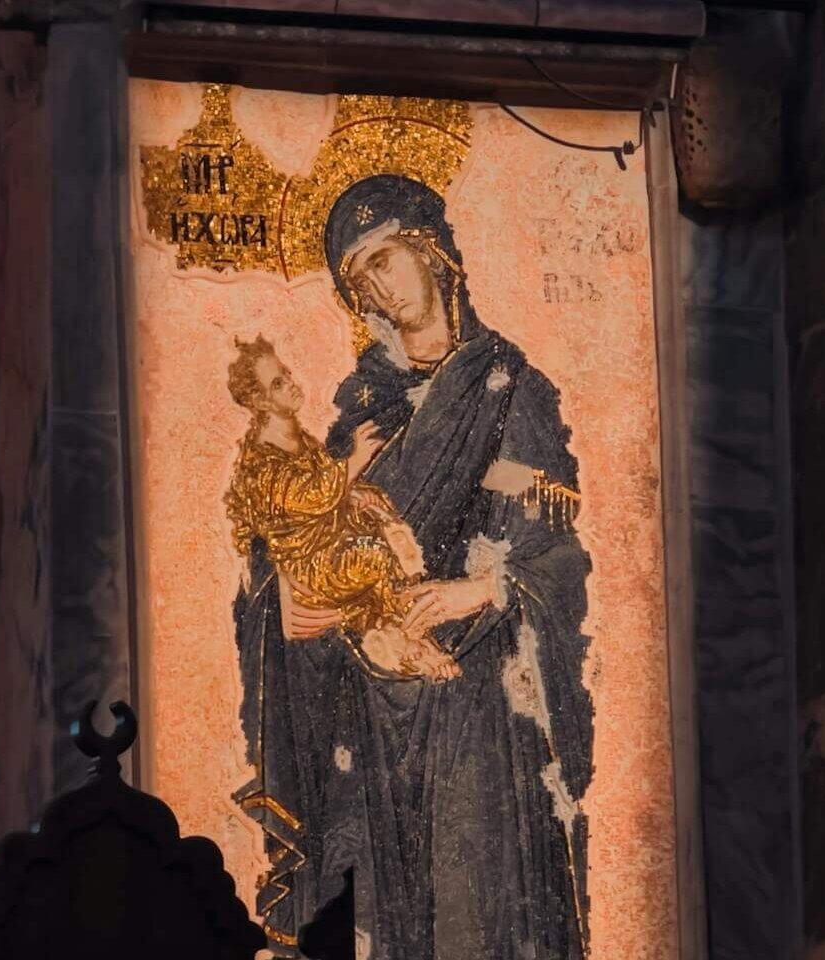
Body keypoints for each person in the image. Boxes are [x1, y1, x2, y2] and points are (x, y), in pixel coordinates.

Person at [232, 174, 595, 959]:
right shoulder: (364, 411)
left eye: (385, 259)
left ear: (431, 251)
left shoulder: (507, 390)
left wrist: (476, 589)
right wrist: (293, 604)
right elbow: (292, 555)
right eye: (359, 280)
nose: (380, 288)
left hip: (475, 708)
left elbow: (557, 550)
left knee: (477, 914)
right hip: (372, 713)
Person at [221, 335, 458, 682]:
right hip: (310, 562)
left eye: (286, 373)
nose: (290, 383)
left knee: (388, 526)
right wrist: (357, 460)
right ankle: (419, 638)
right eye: (277, 384)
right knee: (375, 555)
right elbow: (311, 496)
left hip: (331, 536)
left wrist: (358, 494)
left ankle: (404, 632)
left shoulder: (295, 435)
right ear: (260, 401)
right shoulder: (262, 460)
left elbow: (328, 485)